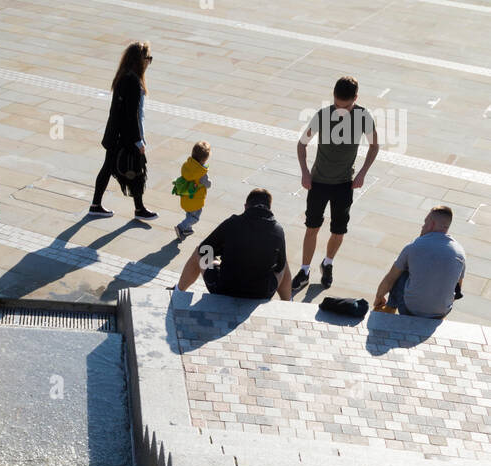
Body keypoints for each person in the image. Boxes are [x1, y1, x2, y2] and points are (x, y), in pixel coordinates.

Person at [292, 76, 378, 293]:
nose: (340, 111)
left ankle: (327, 263)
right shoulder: (322, 115)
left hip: (344, 184)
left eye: (346, 107)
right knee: (312, 228)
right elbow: (302, 144)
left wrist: (362, 173)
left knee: (338, 231)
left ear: (356, 99)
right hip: (318, 182)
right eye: (337, 105)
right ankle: (304, 270)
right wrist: (304, 171)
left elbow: (374, 146)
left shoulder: (362, 117)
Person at [177, 188, 292, 301]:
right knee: (284, 262)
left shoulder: (232, 223)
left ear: (246, 206)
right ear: (269, 208)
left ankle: (178, 291)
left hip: (222, 289)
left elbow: (204, 249)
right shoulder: (277, 230)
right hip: (261, 293)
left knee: (198, 252)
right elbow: (280, 266)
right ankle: (288, 304)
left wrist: (221, 255)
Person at [89, 41, 157, 222]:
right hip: (125, 138)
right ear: (139, 60)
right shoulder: (133, 81)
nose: (149, 62)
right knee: (138, 170)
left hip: (115, 135)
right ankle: (139, 209)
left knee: (109, 168)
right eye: (148, 58)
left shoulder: (124, 77)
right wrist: (138, 141)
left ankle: (96, 205)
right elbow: (131, 115)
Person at [373, 206, 466, 319]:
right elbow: (457, 288)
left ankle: (389, 309)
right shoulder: (460, 252)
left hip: (410, 310)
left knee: (401, 273)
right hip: (441, 312)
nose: (422, 226)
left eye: (425, 222)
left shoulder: (414, 246)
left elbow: (390, 278)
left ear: (431, 224)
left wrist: (379, 297)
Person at [173, 140, 211, 242]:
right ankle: (181, 227)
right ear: (205, 159)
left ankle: (187, 229)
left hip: (186, 197)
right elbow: (207, 184)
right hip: (196, 200)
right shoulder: (201, 172)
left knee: (189, 214)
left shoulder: (187, 166)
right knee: (195, 218)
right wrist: (209, 182)